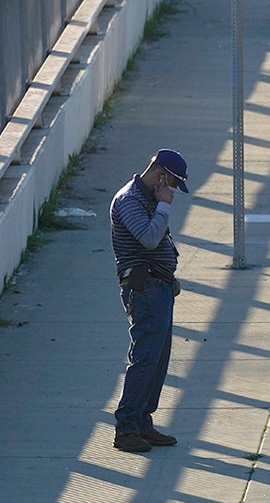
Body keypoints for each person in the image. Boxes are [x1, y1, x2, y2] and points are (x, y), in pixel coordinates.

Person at [109, 148, 188, 452]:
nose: (173, 192)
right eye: (172, 184)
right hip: (144, 289)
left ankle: (142, 422)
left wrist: (169, 277)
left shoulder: (149, 199)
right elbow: (149, 238)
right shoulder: (129, 200)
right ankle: (126, 428)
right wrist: (164, 206)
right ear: (161, 175)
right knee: (144, 358)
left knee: (157, 360)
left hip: (159, 286)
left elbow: (157, 244)